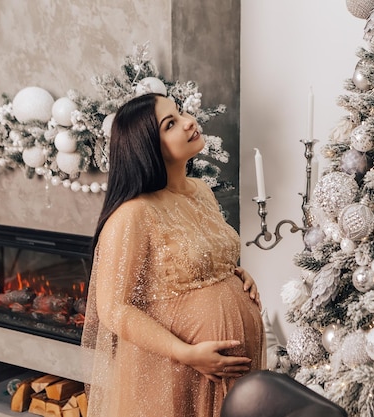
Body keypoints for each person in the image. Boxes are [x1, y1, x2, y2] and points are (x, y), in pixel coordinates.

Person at [82, 92, 265, 417]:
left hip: (225, 370)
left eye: (180, 113)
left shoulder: (202, 191)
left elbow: (204, 259)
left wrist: (235, 275)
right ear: (148, 146)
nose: (188, 122)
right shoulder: (132, 214)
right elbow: (112, 308)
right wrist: (186, 353)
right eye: (171, 123)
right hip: (174, 373)